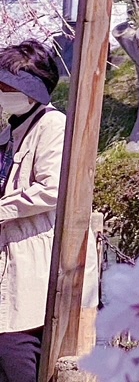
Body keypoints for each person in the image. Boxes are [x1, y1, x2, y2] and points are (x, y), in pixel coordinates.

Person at [0, 40, 65, 382]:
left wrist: (2, 209)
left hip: (29, 263)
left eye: (10, 86)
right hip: (7, 257)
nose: (3, 92)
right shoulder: (11, 129)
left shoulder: (52, 126)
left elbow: (53, 189)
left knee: (15, 349)